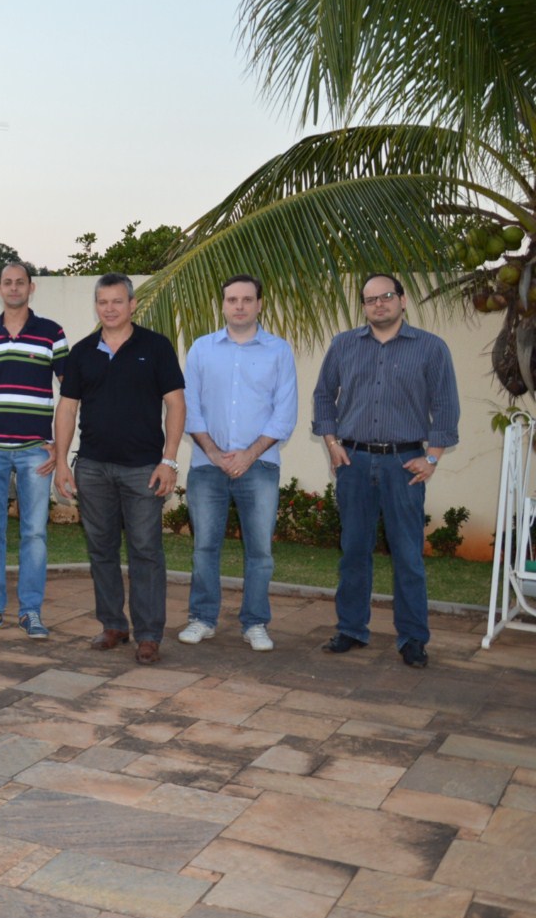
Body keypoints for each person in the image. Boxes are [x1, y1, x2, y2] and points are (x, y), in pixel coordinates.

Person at [313, 273, 459, 669]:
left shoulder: (430, 348)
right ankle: (351, 629)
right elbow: (323, 396)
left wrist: (432, 458)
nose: (379, 304)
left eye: (387, 296)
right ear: (363, 306)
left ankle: (413, 638)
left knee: (408, 555)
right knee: (353, 551)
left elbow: (446, 405)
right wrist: (332, 444)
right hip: (354, 462)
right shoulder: (344, 345)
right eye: (370, 299)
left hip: (404, 464)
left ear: (402, 300)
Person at [53, 273, 185, 665]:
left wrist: (169, 460)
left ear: (132, 304)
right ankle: (113, 625)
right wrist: (61, 462)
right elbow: (67, 409)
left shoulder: (156, 347)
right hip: (92, 467)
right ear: (96, 306)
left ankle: (149, 634)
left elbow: (175, 404)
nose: (109, 309)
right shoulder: (82, 352)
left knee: (146, 550)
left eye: (116, 301)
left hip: (143, 468)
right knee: (101, 548)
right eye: (102, 302)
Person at [180, 275, 298, 652]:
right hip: (206, 466)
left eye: (247, 299)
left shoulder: (279, 351)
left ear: (260, 304)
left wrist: (248, 455)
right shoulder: (202, 349)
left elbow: (285, 413)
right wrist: (215, 454)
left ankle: (255, 623)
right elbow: (189, 408)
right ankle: (202, 619)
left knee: (260, 552)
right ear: (223, 305)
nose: (240, 306)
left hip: (259, 466)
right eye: (232, 299)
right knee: (204, 548)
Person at [0, 264, 67, 638]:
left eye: (19, 282)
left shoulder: (52, 332)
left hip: (35, 450)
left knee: (34, 533)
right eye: (7, 283)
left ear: (31, 287)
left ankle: (30, 612)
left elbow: (69, 391)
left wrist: (60, 446)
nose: (13, 288)